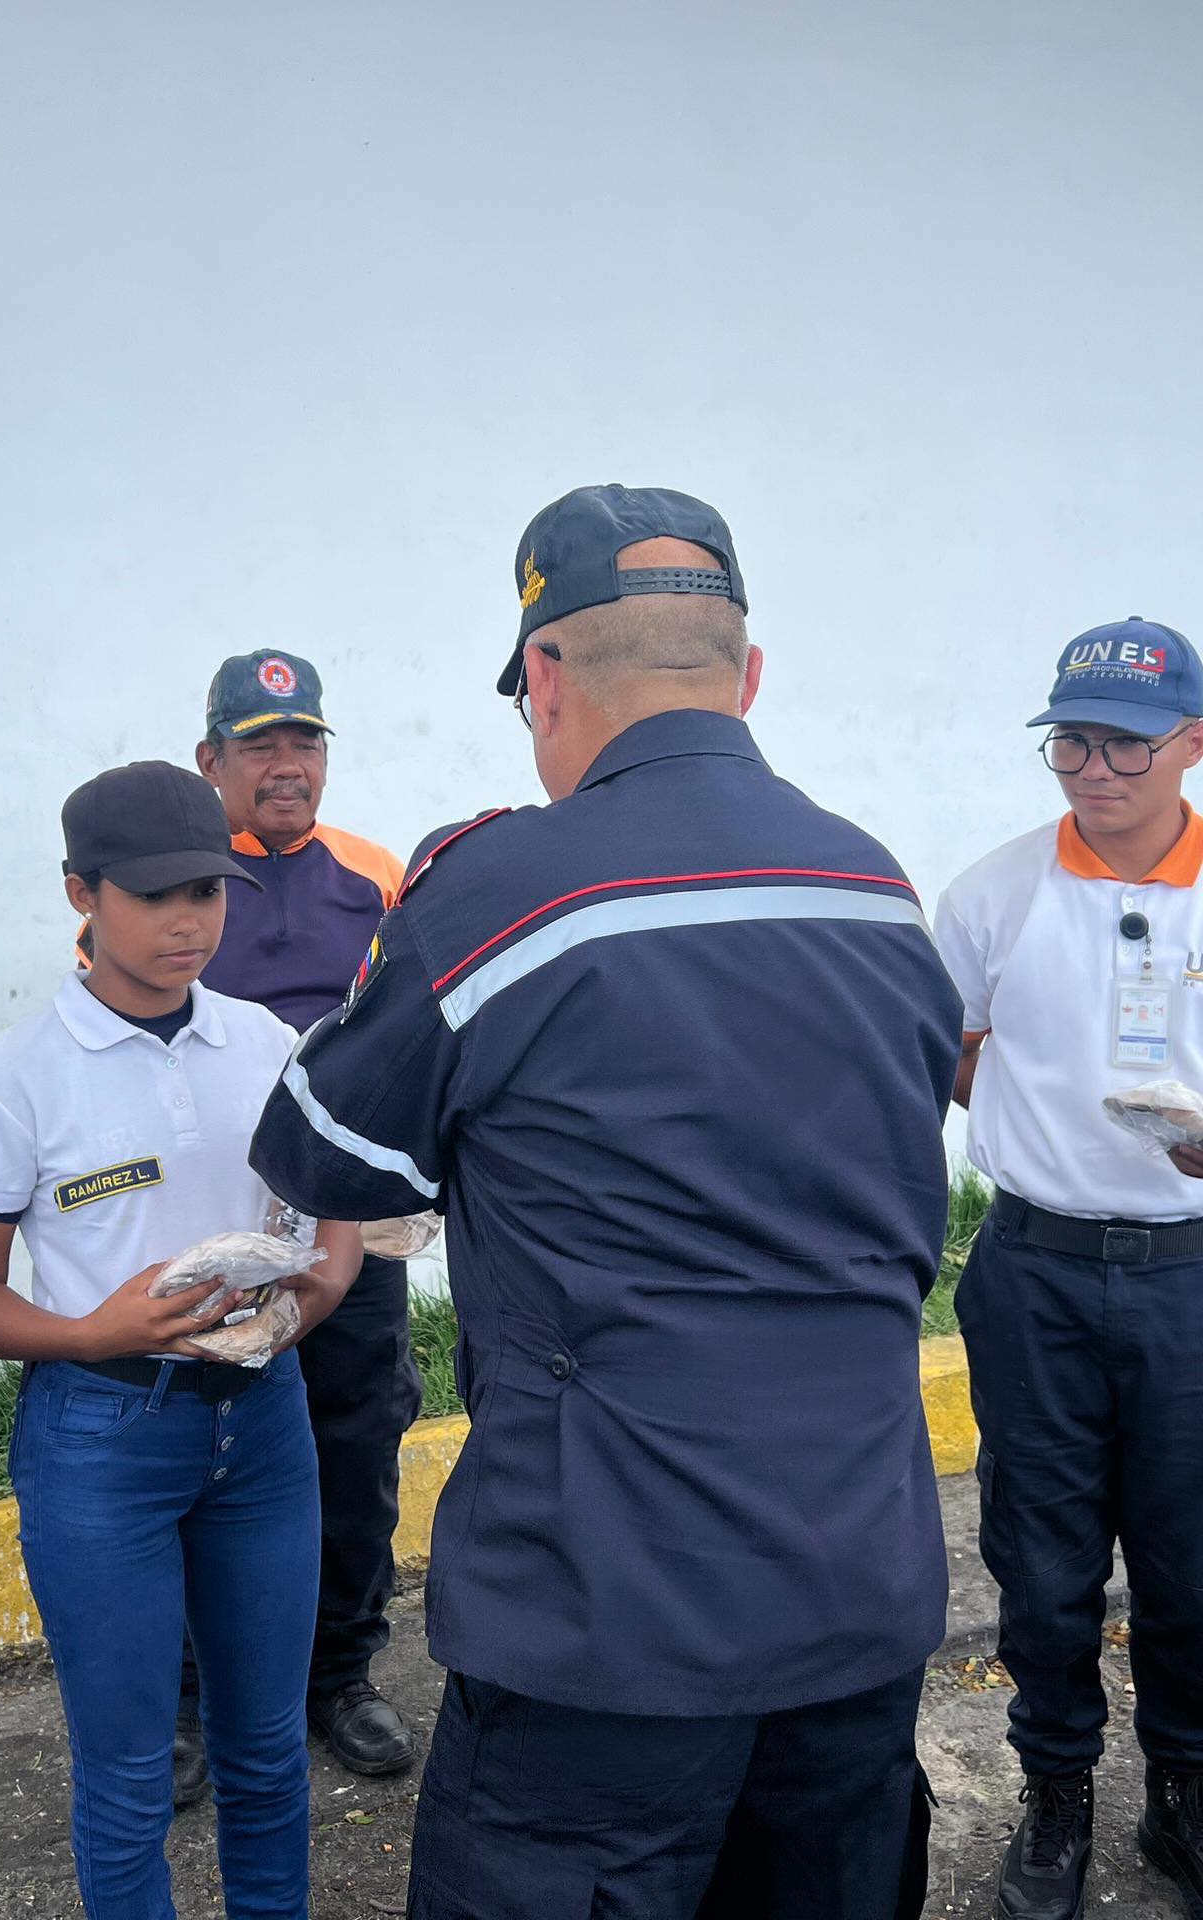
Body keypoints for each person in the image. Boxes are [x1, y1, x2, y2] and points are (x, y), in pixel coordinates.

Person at [248, 484, 964, 1920]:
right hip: (861, 1583)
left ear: (550, 678)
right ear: (746, 674)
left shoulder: (500, 894)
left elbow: (320, 1153)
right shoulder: (875, 885)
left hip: (610, 1613)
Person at [0, 761, 362, 1920]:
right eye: (157, 895)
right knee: (128, 1778)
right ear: (82, 893)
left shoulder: (265, 1042)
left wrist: (315, 1293)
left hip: (263, 1428)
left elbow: (333, 1217)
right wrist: (84, 1330)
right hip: (102, 1438)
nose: (190, 923)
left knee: (268, 1753)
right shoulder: (13, 1082)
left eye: (209, 894)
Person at [934, 618, 1203, 1920]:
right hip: (1036, 1270)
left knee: (1192, 1558)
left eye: (1126, 745)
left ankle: (1185, 1795)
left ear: (1193, 743)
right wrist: (1037, 1109)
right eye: (1071, 741)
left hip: (1193, 1274)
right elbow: (950, 1049)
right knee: (1041, 1563)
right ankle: (1053, 1797)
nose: (1094, 770)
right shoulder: (993, 894)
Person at [184, 649, 421, 1786]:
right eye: (260, 744)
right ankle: (187, 1696)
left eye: (305, 742)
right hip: (208, 1225)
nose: (287, 767)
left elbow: (409, 1029)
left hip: (342, 1221)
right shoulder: (170, 878)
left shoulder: (375, 875)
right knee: (198, 1449)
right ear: (211, 760)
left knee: (353, 1445)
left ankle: (340, 1674)